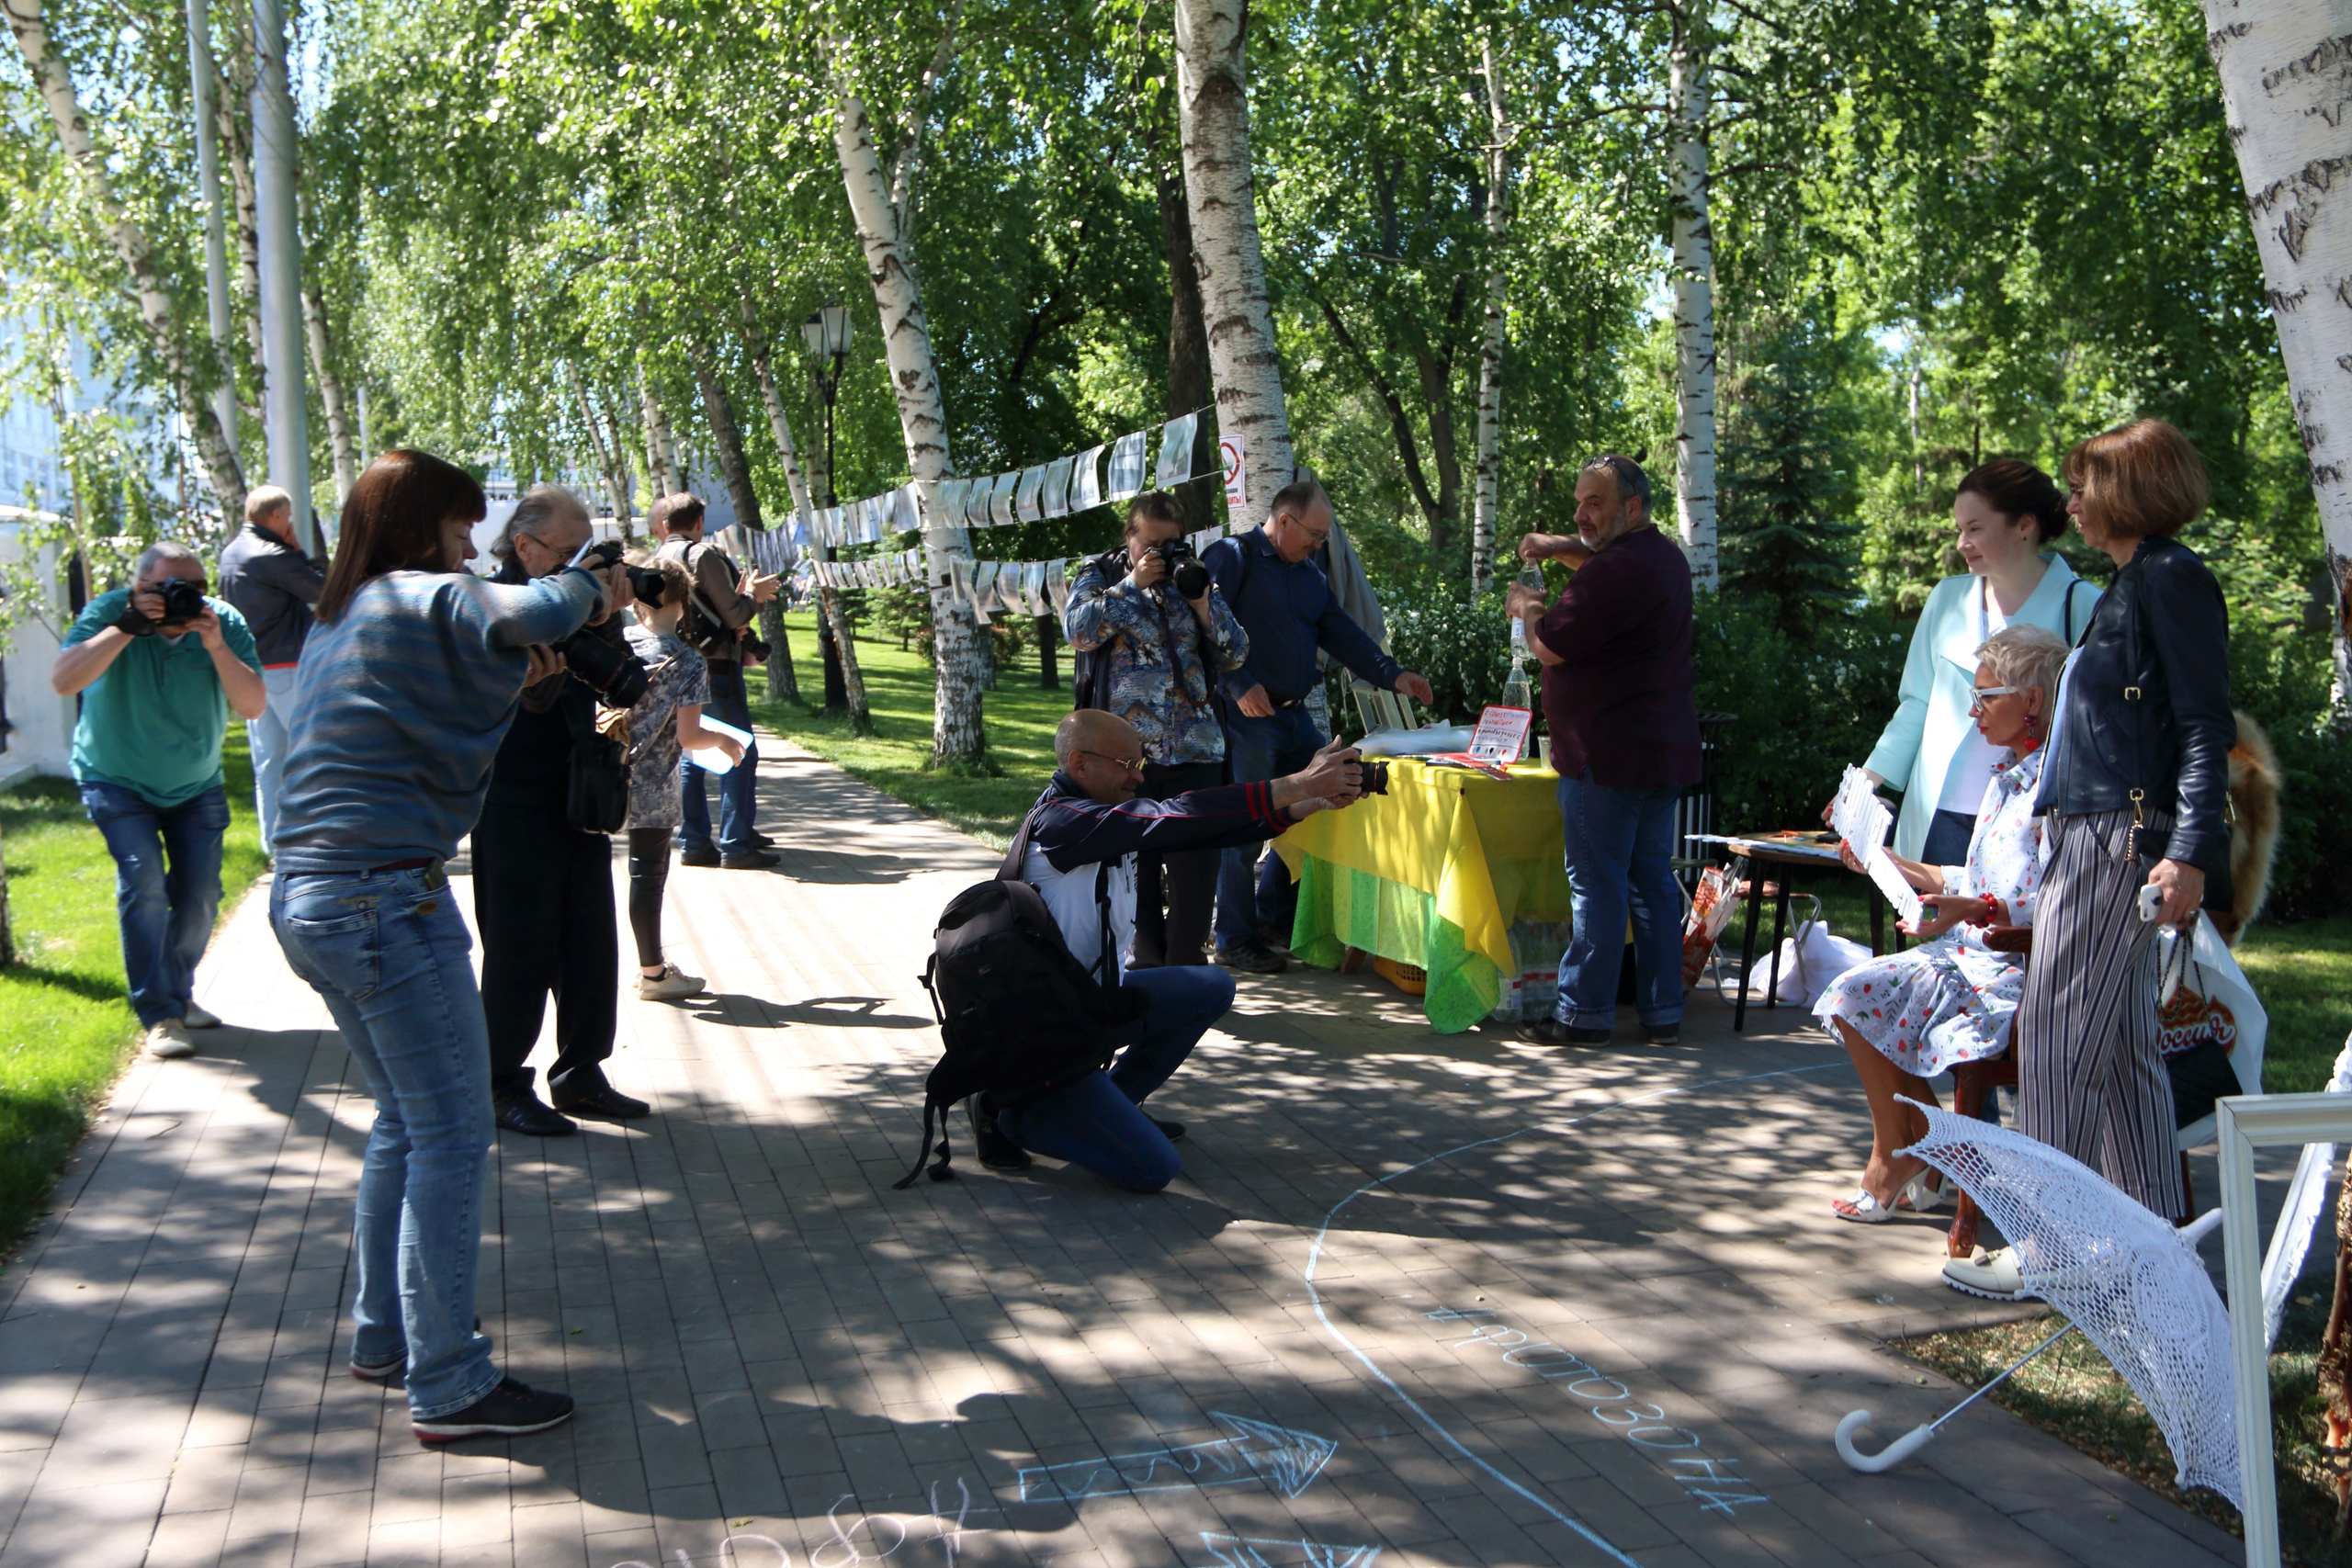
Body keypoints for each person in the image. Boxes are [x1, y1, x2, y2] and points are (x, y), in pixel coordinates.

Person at [269, 447, 626, 1440]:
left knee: (404, 1120)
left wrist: (523, 676)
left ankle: (385, 1337)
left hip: (315, 895)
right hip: (382, 901)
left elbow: (426, 723)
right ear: (419, 525)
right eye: (463, 528)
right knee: (455, 1134)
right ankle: (450, 1381)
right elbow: (534, 609)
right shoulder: (416, 593)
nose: (471, 548)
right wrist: (589, 584)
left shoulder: (347, 613)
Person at [1947, 419, 2235, 1302]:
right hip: (2097, 832)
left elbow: (2203, 727)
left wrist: (2188, 852)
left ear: (2127, 490)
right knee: (2123, 1046)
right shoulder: (2135, 583)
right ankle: (2154, 1249)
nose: (2069, 503)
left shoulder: (2169, 579)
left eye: (2083, 486)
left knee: (2057, 1034)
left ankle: (2051, 1245)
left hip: (2118, 837)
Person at [975, 709, 1365, 1191]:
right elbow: (1177, 814)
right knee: (1152, 1169)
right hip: (1050, 1033)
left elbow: (1200, 829)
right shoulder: (1063, 821)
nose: (1139, 776)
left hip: (1090, 1005)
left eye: (1139, 763)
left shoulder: (1099, 815)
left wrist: (1298, 807)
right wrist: (1297, 783)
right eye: (1126, 764)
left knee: (1210, 986)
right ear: (1079, 763)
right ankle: (1010, 1114)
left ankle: (1112, 1104)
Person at [1815, 625, 2068, 1221]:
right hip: (1967, 957)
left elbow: (2061, 903)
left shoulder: (2056, 790)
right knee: (1852, 997)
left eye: (1986, 697)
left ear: (2032, 700)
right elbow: (1967, 877)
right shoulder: (2006, 777)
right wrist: (1884, 858)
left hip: (2014, 973)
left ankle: (1906, 1153)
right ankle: (1924, 1145)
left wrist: (1975, 911)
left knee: (1859, 997)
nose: (1974, 711)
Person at [1506, 455, 1701, 1047]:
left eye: (1595, 503)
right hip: (1658, 755)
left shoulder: (1616, 571)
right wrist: (1556, 544)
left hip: (1606, 756)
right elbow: (1598, 556)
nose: (1581, 515)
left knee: (1597, 886)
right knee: (1650, 882)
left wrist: (1528, 607)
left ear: (1632, 508)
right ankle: (1663, 1012)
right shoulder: (1662, 556)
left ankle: (1582, 1015)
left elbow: (1549, 646)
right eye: (1578, 502)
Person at [471, 486, 648, 1137]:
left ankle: (581, 1071)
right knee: (519, 945)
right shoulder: (496, 605)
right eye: (570, 552)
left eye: (587, 552)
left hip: (581, 788)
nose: (583, 566)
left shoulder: (583, 603)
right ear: (524, 546)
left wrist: (608, 619)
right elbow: (496, 703)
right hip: (510, 796)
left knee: (589, 941)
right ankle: (499, 1084)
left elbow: (625, 685)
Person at [1203, 479, 1432, 972]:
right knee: (1244, 826)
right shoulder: (1233, 556)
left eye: (1323, 537)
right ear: (1284, 521)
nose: (1319, 544)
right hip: (1245, 719)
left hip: (1294, 715)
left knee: (1324, 801)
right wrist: (1237, 683)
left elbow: (1342, 633)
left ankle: (1274, 917)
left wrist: (1393, 674)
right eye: (1314, 534)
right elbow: (1197, 628)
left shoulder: (1309, 573)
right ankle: (1234, 938)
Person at [52, 541, 265, 1058]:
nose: (183, 597)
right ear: (139, 587)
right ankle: (162, 1014)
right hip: (115, 777)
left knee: (201, 895)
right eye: (168, 587)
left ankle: (176, 992)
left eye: (195, 587)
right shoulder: (109, 613)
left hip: (196, 782)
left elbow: (253, 706)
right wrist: (125, 628)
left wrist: (216, 646)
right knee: (143, 881)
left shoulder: (222, 621)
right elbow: (63, 681)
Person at [1838, 461, 2103, 863]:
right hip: (1937, 816)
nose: (1962, 543)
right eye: (1959, 530)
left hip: (2030, 824)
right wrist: (1864, 784)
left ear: (2024, 525)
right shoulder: (1946, 598)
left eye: (1975, 529)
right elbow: (1917, 703)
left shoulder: (2084, 605)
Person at [1064, 491, 1250, 968]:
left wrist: (1202, 604)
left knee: (1195, 877)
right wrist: (1133, 584)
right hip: (1127, 758)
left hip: (1196, 750)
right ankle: (1147, 971)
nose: (1160, 554)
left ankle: (1185, 972)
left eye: (1168, 544)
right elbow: (1079, 632)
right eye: (1149, 544)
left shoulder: (1193, 577)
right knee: (1136, 875)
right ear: (1129, 537)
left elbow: (1236, 653)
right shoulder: (1100, 574)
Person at [618, 551, 742, 1000]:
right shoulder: (688, 661)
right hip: (654, 786)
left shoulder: (619, 643)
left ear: (638, 599)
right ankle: (653, 974)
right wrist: (725, 741)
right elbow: (689, 736)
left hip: (602, 773)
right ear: (685, 600)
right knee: (646, 878)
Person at [652, 492, 781, 870]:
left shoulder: (658, 558)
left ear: (665, 524)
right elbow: (734, 614)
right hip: (716, 667)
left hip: (675, 662)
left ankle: (693, 842)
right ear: (699, 522)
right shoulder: (702, 555)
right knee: (739, 750)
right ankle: (736, 844)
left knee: (691, 752)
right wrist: (754, 597)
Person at [217, 483, 326, 855]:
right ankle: (316, 843)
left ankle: (276, 848)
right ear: (277, 515)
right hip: (288, 668)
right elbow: (323, 591)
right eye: (288, 517)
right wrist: (299, 553)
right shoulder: (273, 554)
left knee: (269, 764)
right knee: (313, 755)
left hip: (252, 670)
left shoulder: (231, 553)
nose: (290, 524)